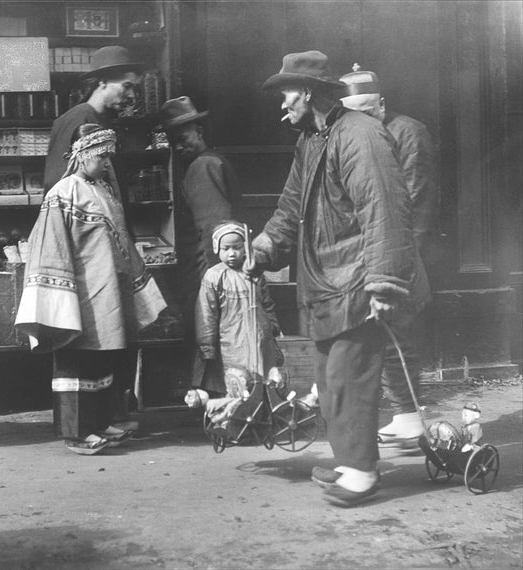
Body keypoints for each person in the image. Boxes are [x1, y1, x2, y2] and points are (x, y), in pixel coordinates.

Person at [252, 51, 426, 507]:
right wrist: (266, 245)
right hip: (327, 281)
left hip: (357, 279)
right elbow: (292, 205)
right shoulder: (312, 139)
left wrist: (384, 283)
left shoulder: (361, 135)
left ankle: (363, 474)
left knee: (350, 376)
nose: (282, 104)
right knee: (331, 380)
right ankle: (351, 461)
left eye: (287, 93)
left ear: (308, 93)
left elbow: (385, 210)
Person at [15, 124, 166, 455]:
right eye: (102, 156)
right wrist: (59, 293)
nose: (107, 163)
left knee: (104, 358)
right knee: (76, 360)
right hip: (78, 292)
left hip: (107, 291)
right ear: (82, 156)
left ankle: (99, 422)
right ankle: (77, 432)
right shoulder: (63, 193)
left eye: (109, 156)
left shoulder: (103, 191)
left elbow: (121, 240)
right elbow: (51, 244)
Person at [339, 64, 437, 446]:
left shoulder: (408, 133)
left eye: (369, 112)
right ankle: (404, 413)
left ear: (382, 104)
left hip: (400, 248)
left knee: (399, 333)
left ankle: (408, 414)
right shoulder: (354, 134)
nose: (362, 121)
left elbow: (415, 198)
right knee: (380, 333)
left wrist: (401, 260)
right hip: (368, 248)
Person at [159, 97, 245, 393]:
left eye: (183, 138)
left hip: (206, 273)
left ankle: (219, 406)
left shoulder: (202, 167)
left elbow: (215, 230)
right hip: (215, 271)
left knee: (210, 337)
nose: (179, 147)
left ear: (198, 130)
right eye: (174, 142)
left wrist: (218, 278)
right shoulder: (214, 161)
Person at [184, 221, 283, 431]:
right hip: (230, 340)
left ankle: (259, 422)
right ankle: (232, 423)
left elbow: (267, 303)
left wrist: (273, 327)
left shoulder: (255, 273)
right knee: (235, 380)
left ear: (246, 248)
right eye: (226, 248)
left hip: (258, 337)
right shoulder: (214, 276)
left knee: (260, 378)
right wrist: (207, 346)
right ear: (217, 249)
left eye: (237, 248)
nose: (232, 254)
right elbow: (206, 314)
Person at [43, 46, 143, 192]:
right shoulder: (77, 118)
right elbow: (57, 183)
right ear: (103, 81)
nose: (131, 96)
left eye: (134, 89)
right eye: (126, 86)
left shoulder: (102, 120)